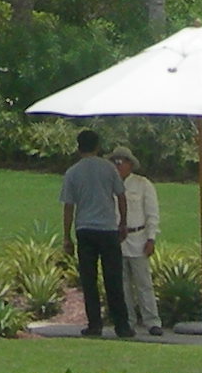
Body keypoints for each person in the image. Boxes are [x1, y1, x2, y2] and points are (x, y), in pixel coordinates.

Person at [58, 128, 133, 338]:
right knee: (113, 279)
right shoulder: (109, 169)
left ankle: (94, 324)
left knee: (89, 280)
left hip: (85, 229)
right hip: (108, 229)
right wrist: (123, 223)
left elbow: (68, 206)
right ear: (98, 146)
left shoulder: (73, 172)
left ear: (78, 147)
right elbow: (121, 196)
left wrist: (67, 236)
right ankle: (122, 325)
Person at [112, 147, 164, 339]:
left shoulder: (143, 184)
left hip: (138, 237)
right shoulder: (109, 184)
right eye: (114, 162)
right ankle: (128, 322)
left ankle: (152, 321)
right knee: (122, 284)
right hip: (117, 239)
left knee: (144, 283)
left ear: (130, 164)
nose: (117, 166)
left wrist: (151, 238)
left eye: (121, 162)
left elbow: (152, 214)